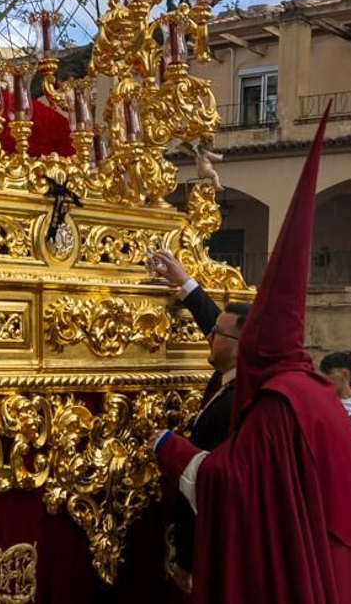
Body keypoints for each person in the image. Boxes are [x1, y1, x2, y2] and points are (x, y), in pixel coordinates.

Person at [151, 118, 351, 604]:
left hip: (304, 565)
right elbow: (222, 329)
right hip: (342, 561)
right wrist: (187, 286)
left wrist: (167, 447)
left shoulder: (278, 403)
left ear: (253, 347)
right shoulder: (313, 389)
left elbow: (230, 481)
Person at [145, 246, 248, 594]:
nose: (209, 336)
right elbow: (215, 321)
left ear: (238, 347)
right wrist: (185, 282)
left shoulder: (239, 401)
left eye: (216, 334)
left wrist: (188, 559)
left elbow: (205, 489)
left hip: (207, 548)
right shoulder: (233, 373)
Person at [321, 351, 351, 417]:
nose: (325, 378)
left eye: (329, 373)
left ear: (345, 374)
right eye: (323, 374)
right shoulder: (322, 404)